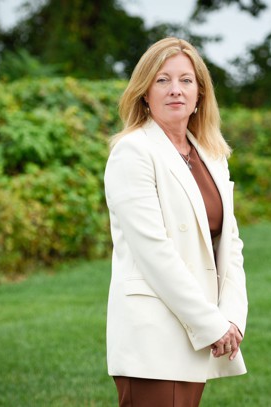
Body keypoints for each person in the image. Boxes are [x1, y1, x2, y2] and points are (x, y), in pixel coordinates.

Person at [103, 37, 248, 407]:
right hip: (153, 336)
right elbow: (154, 253)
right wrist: (211, 324)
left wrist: (232, 317)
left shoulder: (211, 155)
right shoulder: (133, 151)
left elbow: (230, 243)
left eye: (186, 80)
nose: (175, 90)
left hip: (196, 333)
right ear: (144, 93)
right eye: (162, 80)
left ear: (200, 93)